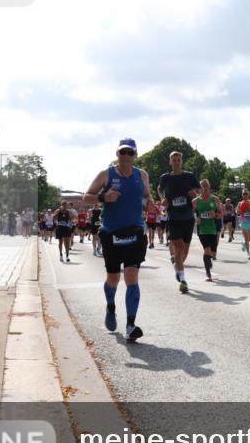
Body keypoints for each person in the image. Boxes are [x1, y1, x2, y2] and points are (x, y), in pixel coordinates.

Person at [83, 138, 151, 342]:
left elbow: (146, 196)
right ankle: (111, 306)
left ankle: (130, 325)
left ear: (135, 155)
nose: (126, 156)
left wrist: (150, 203)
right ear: (117, 154)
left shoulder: (142, 175)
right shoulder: (106, 175)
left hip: (135, 232)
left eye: (130, 152)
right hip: (111, 233)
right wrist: (103, 197)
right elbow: (87, 197)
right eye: (123, 152)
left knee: (131, 275)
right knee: (113, 278)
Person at [157, 151, 199, 293]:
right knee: (179, 248)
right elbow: (159, 188)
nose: (176, 162)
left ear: (182, 162)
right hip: (174, 217)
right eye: (174, 160)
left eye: (178, 160)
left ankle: (178, 267)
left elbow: (198, 192)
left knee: (185, 251)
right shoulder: (165, 178)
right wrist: (163, 198)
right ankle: (183, 279)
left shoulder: (189, 176)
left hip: (188, 217)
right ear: (170, 162)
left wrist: (195, 195)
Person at [193, 180, 222, 282]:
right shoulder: (195, 201)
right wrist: (196, 219)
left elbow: (221, 213)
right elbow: (190, 213)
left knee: (213, 254)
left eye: (207, 186)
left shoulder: (215, 199)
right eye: (203, 186)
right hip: (202, 229)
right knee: (207, 251)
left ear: (209, 187)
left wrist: (216, 215)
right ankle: (208, 274)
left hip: (213, 229)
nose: (205, 188)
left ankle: (209, 260)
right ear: (199, 188)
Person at [237, 189, 250, 259]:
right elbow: (237, 212)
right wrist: (239, 211)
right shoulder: (240, 203)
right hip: (243, 222)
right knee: (246, 238)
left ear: (248, 195)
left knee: (249, 239)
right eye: (244, 194)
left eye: (246, 194)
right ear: (242, 195)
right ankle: (249, 254)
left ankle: (244, 245)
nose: (245, 195)